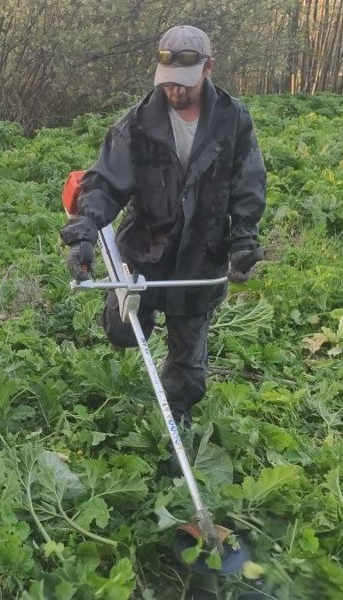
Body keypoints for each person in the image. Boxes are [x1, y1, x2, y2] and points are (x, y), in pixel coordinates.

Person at [61, 25, 267, 426]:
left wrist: (243, 239)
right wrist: (83, 233)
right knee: (124, 330)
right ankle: (129, 315)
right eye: (168, 84)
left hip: (201, 254)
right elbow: (104, 183)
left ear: (208, 68)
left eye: (184, 85)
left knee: (188, 359)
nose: (174, 92)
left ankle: (176, 412)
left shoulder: (233, 120)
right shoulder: (138, 123)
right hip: (144, 248)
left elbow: (248, 182)